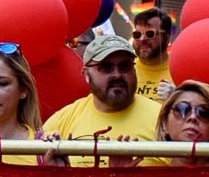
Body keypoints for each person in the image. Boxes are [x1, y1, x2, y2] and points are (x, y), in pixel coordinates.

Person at [43, 20, 157, 151]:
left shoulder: (162, 120)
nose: (117, 75)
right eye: (106, 67)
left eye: (125, 66)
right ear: (86, 74)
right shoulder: (61, 123)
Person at [127, 0, 179, 107]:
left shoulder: (180, 71)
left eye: (150, 33)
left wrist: (178, 97)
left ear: (167, 36)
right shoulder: (125, 70)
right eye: (137, 34)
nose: (142, 39)